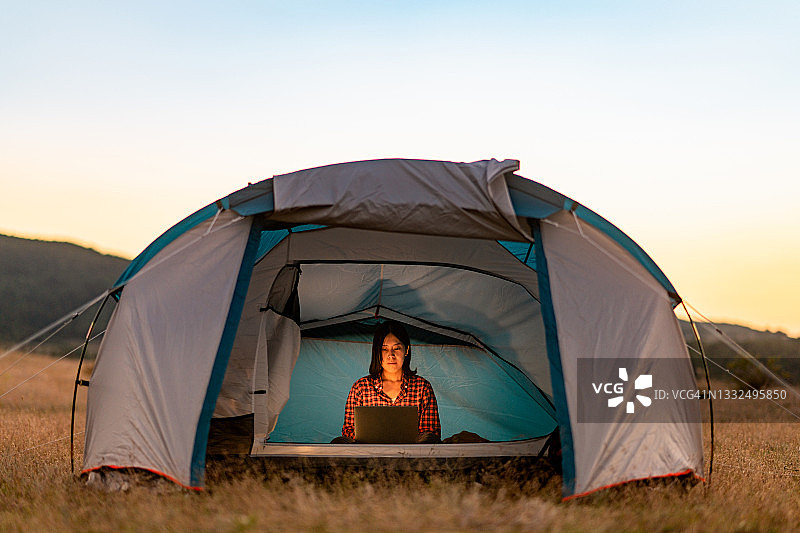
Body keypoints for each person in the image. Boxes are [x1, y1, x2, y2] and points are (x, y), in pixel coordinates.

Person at [334, 320, 441, 444]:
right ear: (377, 352)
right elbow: (349, 431)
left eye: (397, 348)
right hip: (370, 457)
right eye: (384, 349)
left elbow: (431, 434)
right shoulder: (361, 388)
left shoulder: (422, 388)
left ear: (406, 351)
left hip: (412, 458)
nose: (391, 355)